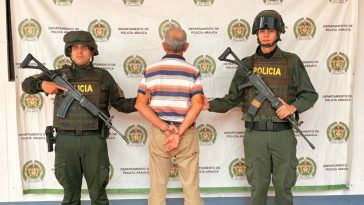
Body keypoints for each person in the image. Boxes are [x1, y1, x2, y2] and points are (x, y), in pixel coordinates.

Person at [205, 10, 318, 205]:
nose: (266, 34)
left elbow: (309, 95)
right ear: (256, 33)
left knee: (283, 185)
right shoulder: (247, 64)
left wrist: (292, 107)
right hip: (255, 135)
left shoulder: (291, 61)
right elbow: (232, 99)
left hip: (282, 133)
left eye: (271, 31)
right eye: (262, 30)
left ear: (279, 33)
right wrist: (208, 105)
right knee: (258, 186)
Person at [22, 30, 136, 205]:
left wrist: (142, 101)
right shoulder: (58, 75)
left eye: (84, 48)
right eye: (75, 48)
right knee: (70, 196)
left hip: (94, 141)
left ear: (92, 52)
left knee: (98, 194)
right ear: (69, 51)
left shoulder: (103, 76)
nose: (80, 51)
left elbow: (120, 103)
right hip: (65, 141)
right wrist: (42, 84)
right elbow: (26, 84)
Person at [135, 27, 205, 205]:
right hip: (186, 133)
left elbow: (140, 105)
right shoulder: (193, 71)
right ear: (186, 47)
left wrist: (166, 128)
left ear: (163, 45)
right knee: (191, 187)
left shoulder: (150, 70)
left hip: (161, 133)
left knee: (157, 187)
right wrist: (179, 132)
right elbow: (197, 105)